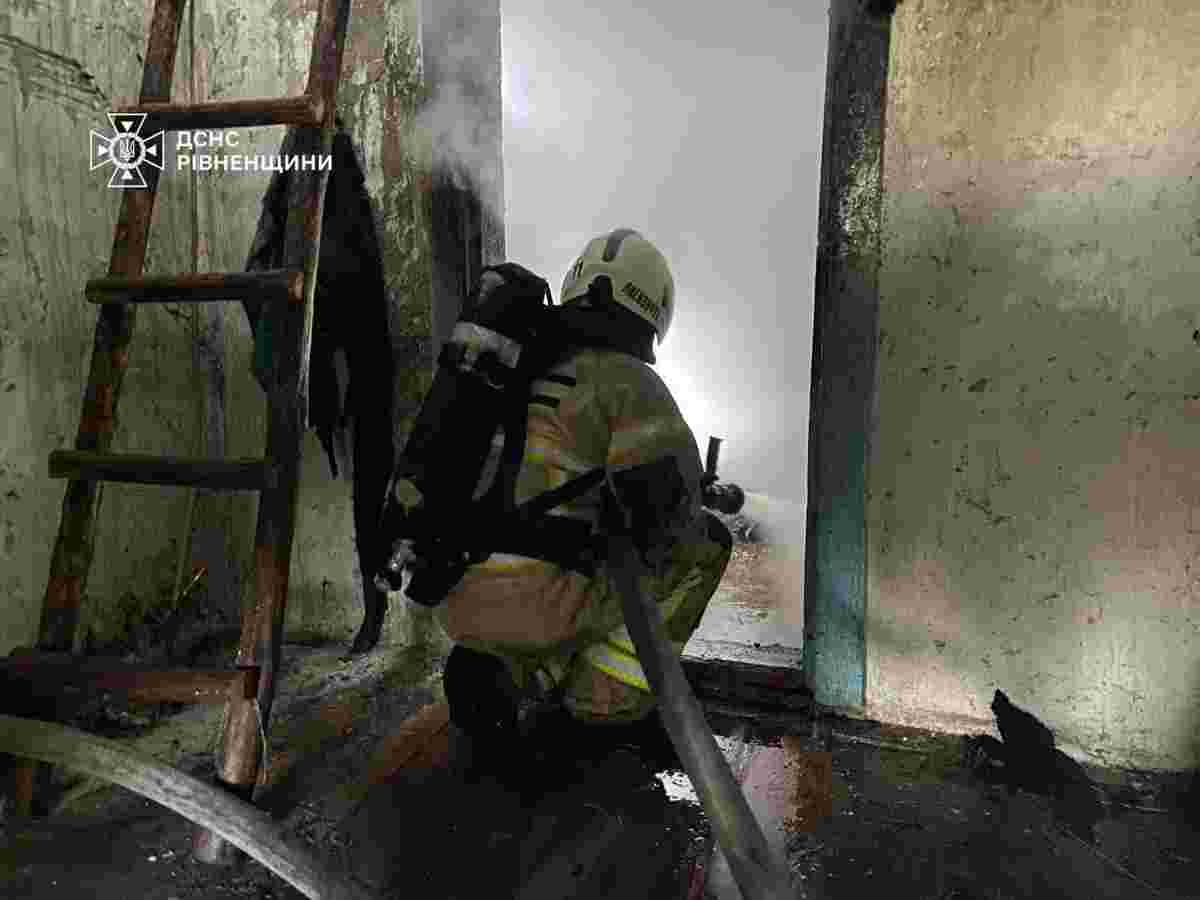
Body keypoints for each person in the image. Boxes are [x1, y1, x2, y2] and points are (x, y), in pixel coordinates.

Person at [435, 228, 734, 778]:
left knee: (569, 568)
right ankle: (603, 703)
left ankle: (513, 674)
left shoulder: (509, 367)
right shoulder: (628, 380)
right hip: (539, 604)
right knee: (706, 543)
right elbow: (670, 514)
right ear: (654, 309)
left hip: (453, 589)